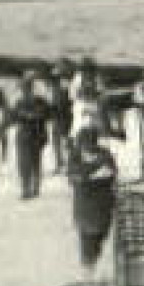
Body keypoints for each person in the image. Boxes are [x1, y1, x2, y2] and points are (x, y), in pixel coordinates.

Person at [66, 128, 118, 273]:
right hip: (85, 206)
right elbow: (73, 177)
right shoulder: (75, 156)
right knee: (87, 239)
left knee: (100, 237)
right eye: (84, 143)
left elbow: (111, 173)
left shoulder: (105, 154)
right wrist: (94, 174)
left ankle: (91, 264)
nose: (88, 146)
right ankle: (88, 267)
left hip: (102, 205)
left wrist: (87, 176)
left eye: (91, 143)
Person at [11, 71, 51, 199]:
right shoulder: (39, 100)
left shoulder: (21, 101)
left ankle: (28, 188)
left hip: (27, 134)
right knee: (34, 162)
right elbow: (46, 115)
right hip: (34, 133)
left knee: (26, 163)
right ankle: (33, 188)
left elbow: (13, 117)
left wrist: (27, 116)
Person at [44, 61, 74, 174]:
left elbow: (69, 99)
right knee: (60, 142)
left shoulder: (63, 84)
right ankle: (61, 164)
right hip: (60, 115)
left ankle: (63, 164)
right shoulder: (57, 84)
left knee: (63, 142)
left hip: (63, 115)